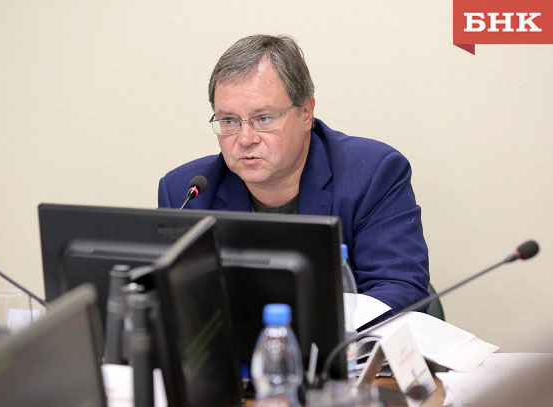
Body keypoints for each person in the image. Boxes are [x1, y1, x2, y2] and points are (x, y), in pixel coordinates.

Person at [158, 34, 429, 313]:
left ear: (306, 113)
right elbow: (172, 300)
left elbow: (401, 289)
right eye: (229, 121)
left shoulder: (370, 174)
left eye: (263, 118)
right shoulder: (185, 193)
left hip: (341, 340)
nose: (245, 138)